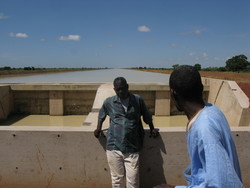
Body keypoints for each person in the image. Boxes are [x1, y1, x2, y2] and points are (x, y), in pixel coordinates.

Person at [154, 65, 244, 188]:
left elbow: (219, 184)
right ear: (201, 88)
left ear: (173, 94)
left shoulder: (205, 128)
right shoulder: (213, 111)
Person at [94, 76, 159, 188]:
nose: (121, 91)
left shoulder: (137, 100)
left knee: (133, 181)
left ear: (127, 87)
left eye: (123, 88)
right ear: (114, 90)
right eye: (118, 89)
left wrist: (152, 128)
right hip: (114, 145)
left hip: (132, 146)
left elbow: (147, 115)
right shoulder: (109, 102)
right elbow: (101, 115)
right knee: (116, 180)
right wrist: (98, 128)